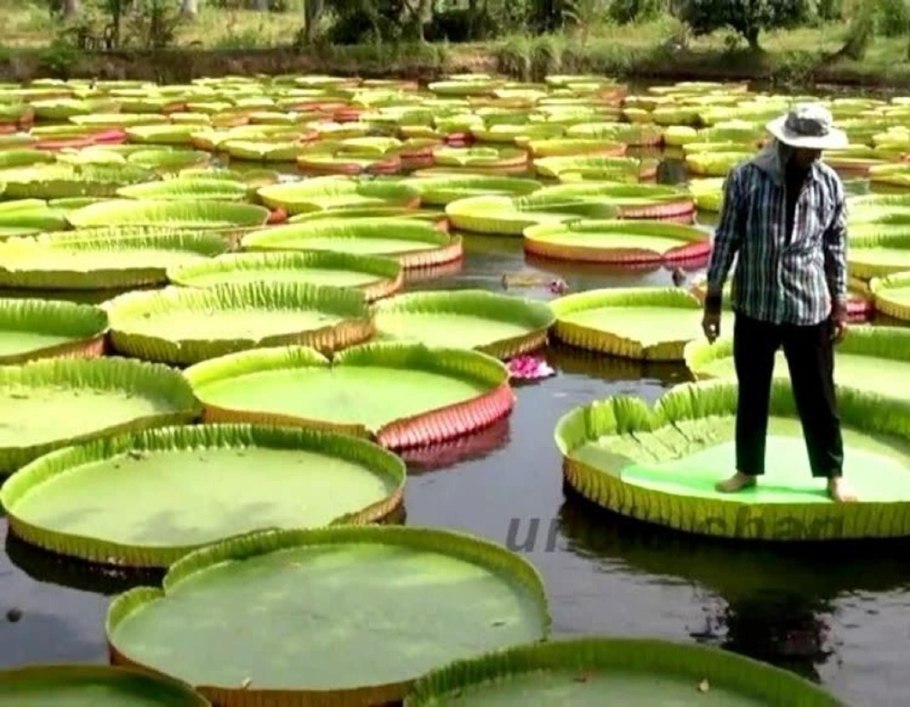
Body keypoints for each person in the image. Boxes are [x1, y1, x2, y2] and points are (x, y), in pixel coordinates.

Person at [701, 103, 855, 503]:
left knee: (819, 394)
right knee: (753, 391)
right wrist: (713, 300)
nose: (817, 153)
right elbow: (727, 238)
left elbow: (835, 246)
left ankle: (833, 473)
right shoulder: (746, 178)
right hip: (756, 303)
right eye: (809, 147)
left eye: (820, 146)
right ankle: (747, 469)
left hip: (808, 305)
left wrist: (840, 303)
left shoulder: (828, 184)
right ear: (788, 143)